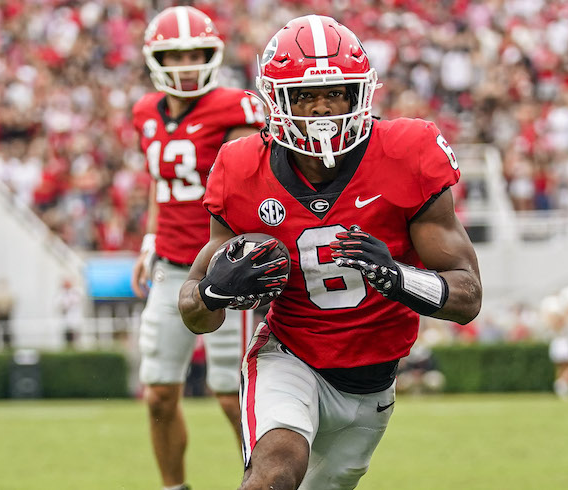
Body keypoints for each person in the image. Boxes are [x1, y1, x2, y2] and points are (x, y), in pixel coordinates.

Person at [178, 15, 482, 490]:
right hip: (288, 355)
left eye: (335, 92)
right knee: (274, 475)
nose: (320, 108)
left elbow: (468, 296)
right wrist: (215, 293)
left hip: (372, 383)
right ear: (275, 100)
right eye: (303, 95)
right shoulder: (240, 167)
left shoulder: (408, 152)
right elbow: (193, 306)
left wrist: (400, 279)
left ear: (360, 94)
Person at [130, 6, 263, 490]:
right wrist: (149, 236)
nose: (186, 64)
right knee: (159, 393)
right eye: (175, 55)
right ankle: (174, 487)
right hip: (168, 265)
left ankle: (267, 481)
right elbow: (159, 182)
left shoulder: (234, 107)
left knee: (232, 396)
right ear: (155, 60)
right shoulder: (145, 111)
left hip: (222, 269)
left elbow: (250, 184)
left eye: (196, 53)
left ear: (213, 54)